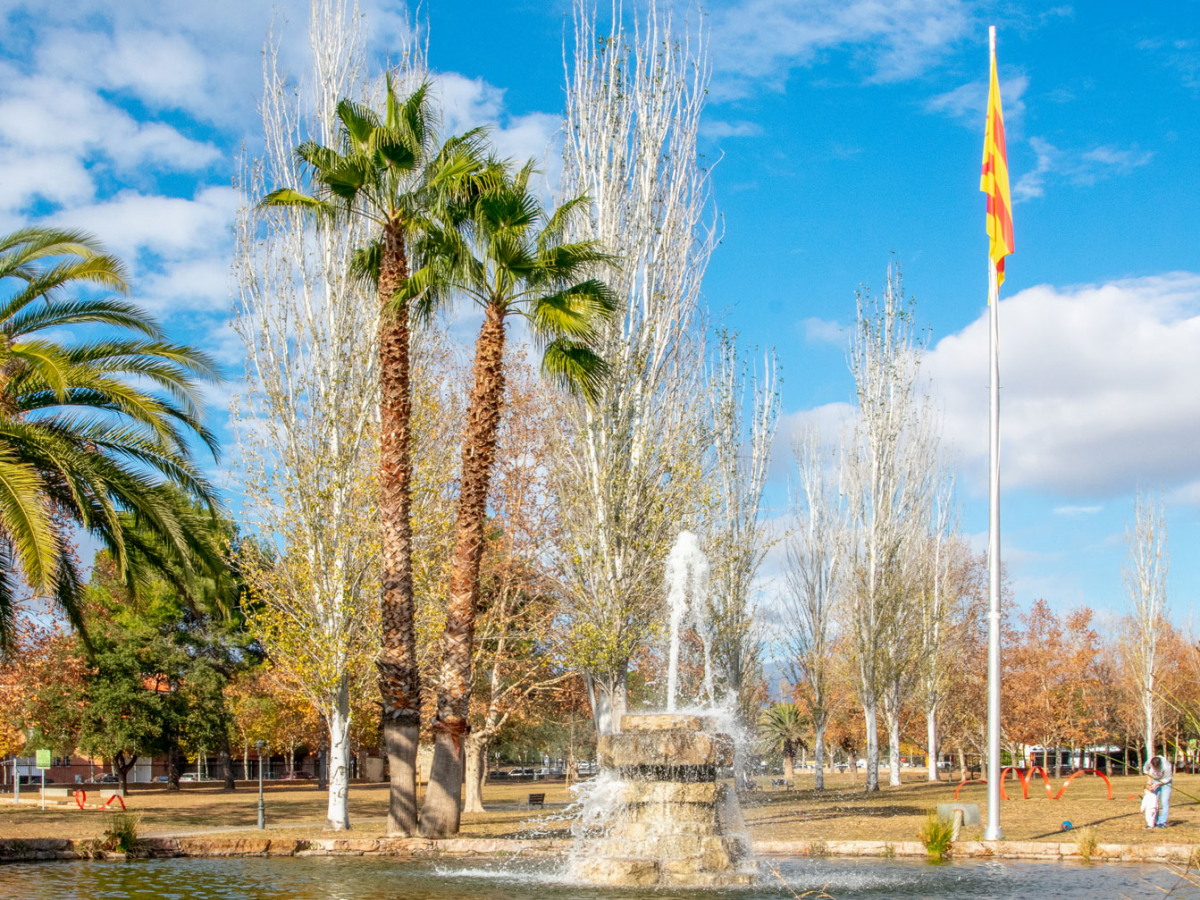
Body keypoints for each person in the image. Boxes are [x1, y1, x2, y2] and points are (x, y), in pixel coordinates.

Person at [1143, 755, 1173, 828]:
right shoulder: (1149, 762)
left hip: (1166, 783)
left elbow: (1167, 779)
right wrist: (1149, 779)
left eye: (1157, 767)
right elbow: (1145, 770)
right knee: (1154, 801)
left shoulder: (1167, 766)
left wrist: (1157, 784)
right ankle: (1154, 821)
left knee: (1164, 801)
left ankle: (1162, 822)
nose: (1155, 768)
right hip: (1155, 780)